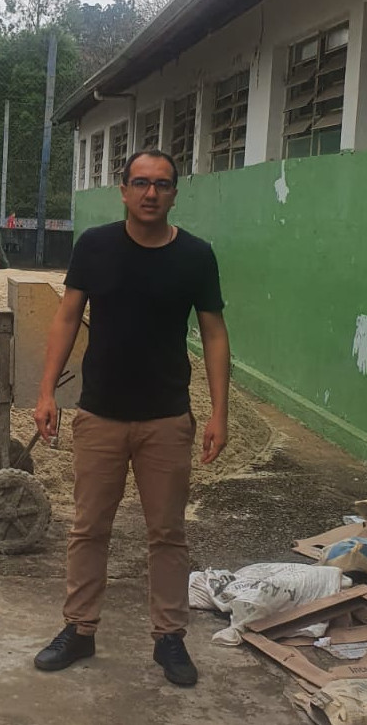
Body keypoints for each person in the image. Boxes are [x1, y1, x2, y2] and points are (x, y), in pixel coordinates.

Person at [31, 148, 231, 687]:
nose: (150, 193)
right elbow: (66, 317)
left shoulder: (195, 256)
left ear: (174, 194)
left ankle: (169, 637)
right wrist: (46, 392)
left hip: (167, 419)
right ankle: (80, 629)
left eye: (162, 184)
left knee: (167, 533)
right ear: (123, 190)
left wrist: (219, 412)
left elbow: (214, 334)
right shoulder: (95, 247)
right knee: (89, 527)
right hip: (100, 414)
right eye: (140, 183)